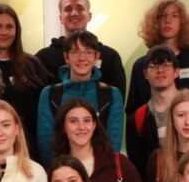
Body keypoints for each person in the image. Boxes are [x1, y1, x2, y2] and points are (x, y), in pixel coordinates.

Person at [126, 0, 189, 127]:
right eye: (162, 15)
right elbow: (133, 112)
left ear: (183, 22)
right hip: (153, 135)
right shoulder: (141, 65)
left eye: (174, 15)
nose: (167, 20)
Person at [36, 30, 123, 164]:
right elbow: (46, 143)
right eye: (75, 52)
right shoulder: (49, 94)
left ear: (96, 57)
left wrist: (100, 171)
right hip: (61, 170)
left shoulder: (111, 94)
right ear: (66, 57)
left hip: (102, 170)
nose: (82, 58)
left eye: (88, 52)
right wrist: (60, 171)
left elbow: (113, 143)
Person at [0, 4, 53, 144]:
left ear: (17, 30)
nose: (4, 32)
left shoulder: (33, 66)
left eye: (9, 27)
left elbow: (45, 114)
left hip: (29, 147)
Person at [34, 0, 126, 97]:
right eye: (68, 9)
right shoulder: (43, 59)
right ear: (60, 18)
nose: (74, 13)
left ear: (89, 16)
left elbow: (117, 100)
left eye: (80, 8)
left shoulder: (110, 57)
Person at [126, 45, 185, 182]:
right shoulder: (137, 119)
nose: (160, 70)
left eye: (166, 65)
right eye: (153, 66)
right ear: (145, 74)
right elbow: (138, 168)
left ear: (177, 72)